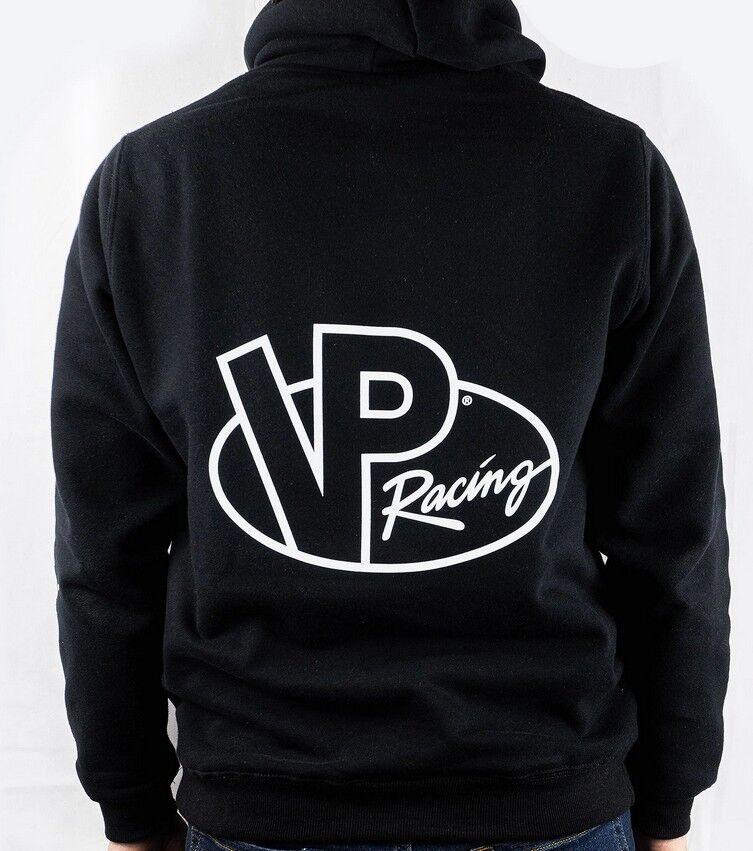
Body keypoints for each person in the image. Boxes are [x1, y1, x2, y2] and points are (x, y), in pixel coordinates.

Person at [51, 2, 730, 851]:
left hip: (264, 806)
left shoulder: (154, 180)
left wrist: (129, 805)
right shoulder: (610, 168)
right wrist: (671, 795)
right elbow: (673, 534)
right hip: (547, 798)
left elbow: (103, 551)